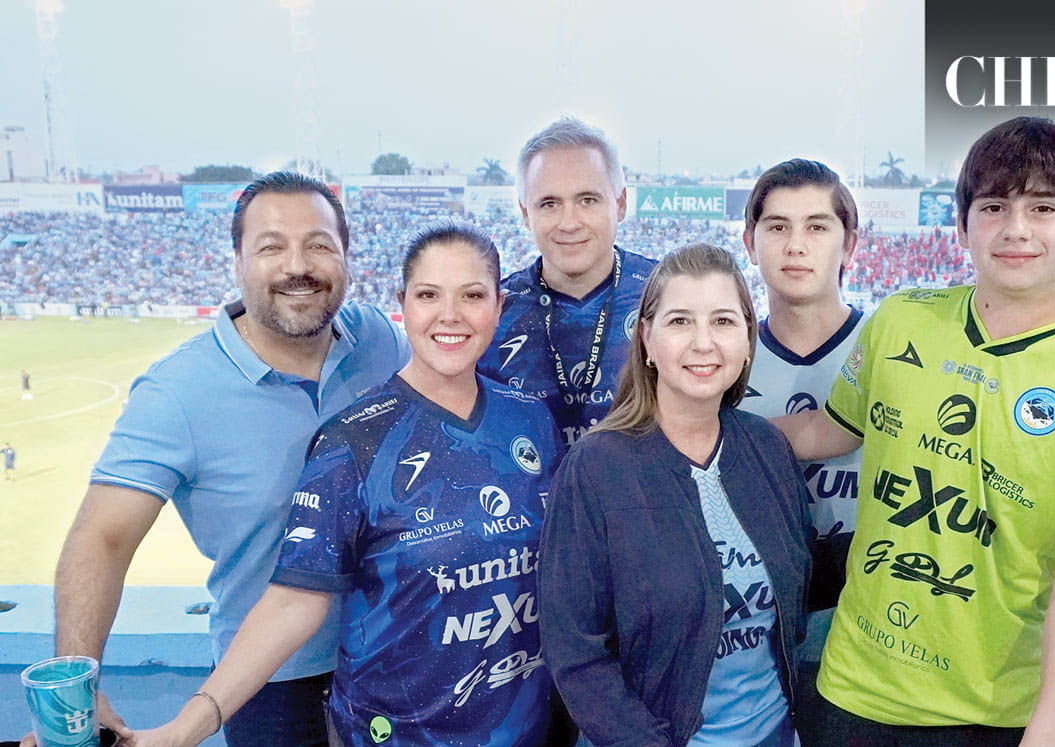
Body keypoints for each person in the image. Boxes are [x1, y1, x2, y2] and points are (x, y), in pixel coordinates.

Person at [775, 117, 1055, 744]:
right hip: (848, 690)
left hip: (990, 713)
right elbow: (828, 432)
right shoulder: (901, 319)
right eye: (993, 206)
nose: (1015, 229)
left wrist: (1053, 722)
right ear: (962, 224)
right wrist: (698, 425)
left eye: (1043, 207)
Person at [131, 222, 561, 747]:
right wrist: (185, 728)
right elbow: (295, 600)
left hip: (525, 730)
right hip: (392, 735)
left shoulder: (532, 421)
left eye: (472, 295)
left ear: (498, 306)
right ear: (403, 304)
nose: (450, 315)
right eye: (429, 295)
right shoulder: (352, 441)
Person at [41, 172, 410, 746]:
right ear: (237, 261)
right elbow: (101, 539)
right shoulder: (178, 392)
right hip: (268, 682)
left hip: (397, 652)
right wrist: (77, 683)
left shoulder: (380, 341)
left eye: (319, 244)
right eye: (271, 246)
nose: (298, 265)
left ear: (347, 259)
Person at [539, 244, 816, 746]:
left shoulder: (767, 449)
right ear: (646, 337)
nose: (703, 343)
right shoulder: (596, 469)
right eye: (680, 321)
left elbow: (802, 583)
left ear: (749, 340)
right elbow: (576, 654)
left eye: (724, 321)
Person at [737, 158, 862, 742]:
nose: (795, 245)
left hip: (869, 640)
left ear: (849, 242)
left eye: (817, 226)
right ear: (749, 242)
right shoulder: (718, 359)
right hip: (750, 640)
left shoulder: (894, 345)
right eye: (777, 226)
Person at [477, 117, 656, 448]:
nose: (569, 223)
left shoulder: (667, 296)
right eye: (549, 204)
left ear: (620, 203)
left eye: (587, 200)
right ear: (525, 213)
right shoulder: (490, 312)